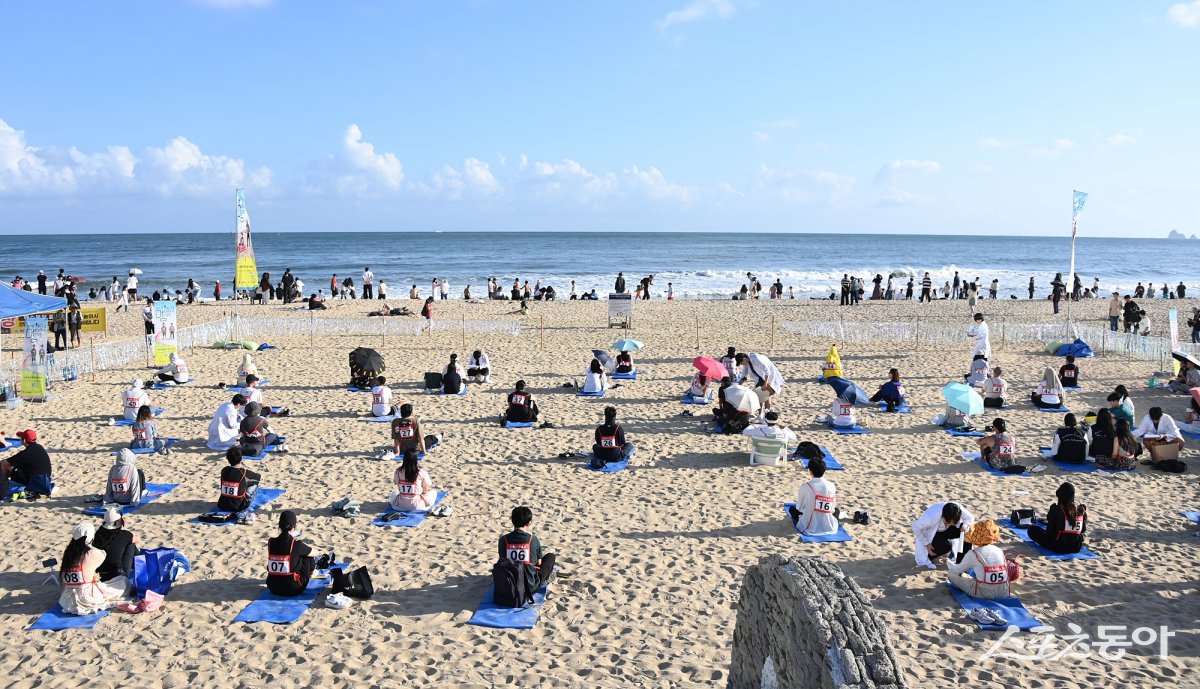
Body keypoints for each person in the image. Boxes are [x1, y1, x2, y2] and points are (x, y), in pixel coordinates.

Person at [59, 522, 128, 615]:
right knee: (122, 581)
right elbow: (101, 557)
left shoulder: (68, 553)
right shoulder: (92, 553)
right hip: (86, 597)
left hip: (67, 599)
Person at [497, 506, 557, 603]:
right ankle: (547, 577)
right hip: (530, 586)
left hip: (509, 583)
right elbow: (539, 563)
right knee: (550, 557)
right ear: (529, 523)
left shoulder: (503, 540)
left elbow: (502, 560)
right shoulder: (533, 539)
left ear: (512, 521)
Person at [946, 520, 1011, 600]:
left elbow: (957, 570)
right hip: (1004, 593)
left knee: (951, 574)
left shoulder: (973, 553)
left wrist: (947, 561)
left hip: (984, 594)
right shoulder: (999, 550)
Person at [266, 511, 318, 597]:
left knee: (298, 554)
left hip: (272, 587)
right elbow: (315, 553)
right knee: (307, 555)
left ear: (280, 525)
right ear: (294, 526)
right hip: (293, 589)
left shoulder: (271, 542)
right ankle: (313, 572)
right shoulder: (297, 544)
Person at [1027, 483, 1087, 554]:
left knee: (1032, 530)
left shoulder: (1056, 509)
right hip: (1076, 547)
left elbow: (1049, 532)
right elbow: (1082, 530)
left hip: (1059, 546)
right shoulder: (1080, 510)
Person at [912, 502, 975, 569]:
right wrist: (927, 544)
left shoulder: (958, 510)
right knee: (946, 546)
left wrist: (965, 525)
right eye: (947, 523)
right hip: (935, 533)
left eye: (952, 523)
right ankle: (932, 556)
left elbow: (970, 517)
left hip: (948, 530)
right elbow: (915, 527)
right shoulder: (931, 517)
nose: (949, 524)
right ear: (942, 516)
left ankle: (962, 561)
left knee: (969, 531)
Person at [787, 456, 838, 535]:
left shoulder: (805, 486)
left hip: (810, 526)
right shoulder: (832, 485)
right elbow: (832, 509)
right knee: (837, 511)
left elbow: (799, 508)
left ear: (810, 471)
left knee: (792, 509)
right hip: (830, 526)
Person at [1, 429, 53, 499]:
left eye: (21, 438)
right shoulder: (39, 447)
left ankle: (2, 486)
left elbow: (4, 463)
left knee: (6, 466)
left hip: (35, 481)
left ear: (24, 440)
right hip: (46, 479)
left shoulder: (25, 454)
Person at [93, 508, 140, 581]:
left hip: (99, 575)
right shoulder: (124, 535)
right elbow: (137, 539)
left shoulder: (97, 534)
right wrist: (124, 529)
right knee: (131, 545)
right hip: (118, 576)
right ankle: (140, 566)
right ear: (120, 521)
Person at [218, 447, 260, 515]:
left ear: (228, 459)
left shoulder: (224, 470)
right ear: (241, 458)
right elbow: (258, 477)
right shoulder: (244, 472)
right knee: (255, 484)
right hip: (239, 506)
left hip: (222, 505)